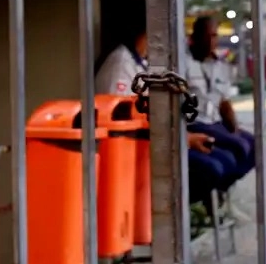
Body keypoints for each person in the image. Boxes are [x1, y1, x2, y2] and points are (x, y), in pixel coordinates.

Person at [95, 21, 241, 210]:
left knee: (227, 159)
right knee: (211, 169)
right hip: (136, 148)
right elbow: (126, 118)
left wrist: (184, 137)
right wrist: (182, 139)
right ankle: (168, 213)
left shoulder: (144, 63)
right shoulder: (121, 65)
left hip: (155, 142)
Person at [185, 16, 256, 182]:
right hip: (196, 123)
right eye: (207, 36)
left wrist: (235, 129)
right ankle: (215, 189)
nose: (211, 41)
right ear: (194, 38)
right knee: (238, 148)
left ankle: (224, 187)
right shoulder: (184, 64)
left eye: (215, 35)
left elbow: (224, 102)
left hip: (216, 123)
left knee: (254, 146)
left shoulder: (221, 66)